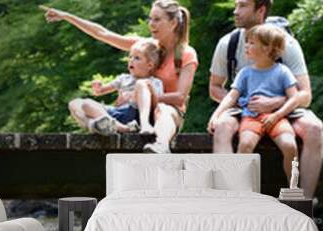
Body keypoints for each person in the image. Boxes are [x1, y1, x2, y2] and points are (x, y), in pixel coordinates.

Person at [44, 0, 198, 153]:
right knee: (77, 104)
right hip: (132, 112)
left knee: (162, 108)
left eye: (157, 19)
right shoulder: (145, 47)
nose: (151, 24)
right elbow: (102, 33)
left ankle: (160, 146)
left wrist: (138, 95)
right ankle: (102, 125)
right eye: (150, 19)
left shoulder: (186, 54)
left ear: (173, 23)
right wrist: (66, 16)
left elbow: (180, 98)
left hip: (166, 113)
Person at [208, 0, 323, 198]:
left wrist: (275, 104)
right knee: (221, 127)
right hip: (244, 107)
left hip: (283, 106)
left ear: (260, 10)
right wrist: (246, 105)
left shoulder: (285, 44)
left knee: (315, 129)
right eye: (236, 5)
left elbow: (305, 95)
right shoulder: (228, 44)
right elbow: (215, 88)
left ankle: (303, 202)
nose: (236, 11)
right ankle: (230, 199)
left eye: (243, 6)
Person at [209, 24, 299, 180]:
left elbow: (294, 97)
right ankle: (240, 187)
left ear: (266, 48)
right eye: (247, 42)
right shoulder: (245, 73)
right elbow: (231, 96)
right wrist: (216, 115)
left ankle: (294, 188)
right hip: (251, 117)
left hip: (277, 118)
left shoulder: (283, 71)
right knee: (245, 145)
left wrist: (277, 115)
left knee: (290, 145)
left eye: (251, 43)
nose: (246, 46)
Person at [69, 39, 163, 135]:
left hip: (136, 114)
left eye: (137, 58)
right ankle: (119, 127)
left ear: (150, 65)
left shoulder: (153, 82)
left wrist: (133, 95)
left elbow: (157, 103)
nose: (131, 60)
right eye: (130, 57)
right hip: (117, 115)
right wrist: (99, 88)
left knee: (141, 84)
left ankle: (145, 125)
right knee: (80, 104)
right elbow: (101, 91)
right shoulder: (123, 78)